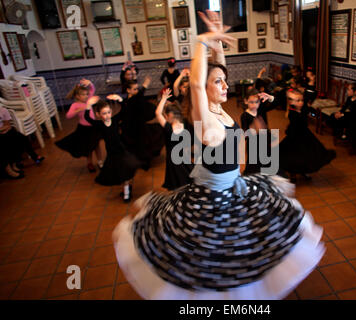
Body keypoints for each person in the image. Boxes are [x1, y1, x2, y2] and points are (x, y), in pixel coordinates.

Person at [113, 10, 324, 300]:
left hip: (233, 186)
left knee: (255, 239)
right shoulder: (204, 118)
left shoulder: (218, 109)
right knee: (214, 257)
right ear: (204, 91)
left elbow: (216, 72)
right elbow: (200, 83)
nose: (226, 86)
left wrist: (216, 46)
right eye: (219, 84)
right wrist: (201, 41)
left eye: (225, 82)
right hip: (211, 199)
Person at [84, 96, 142, 202]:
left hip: (121, 150)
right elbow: (87, 118)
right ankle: (127, 187)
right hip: (111, 153)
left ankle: (127, 193)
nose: (107, 115)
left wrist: (120, 99)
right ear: (98, 115)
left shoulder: (115, 120)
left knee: (125, 170)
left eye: (108, 112)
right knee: (119, 172)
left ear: (111, 112)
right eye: (104, 113)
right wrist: (88, 105)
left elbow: (124, 110)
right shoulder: (100, 125)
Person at [280, 88, 336, 182]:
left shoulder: (305, 108)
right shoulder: (292, 113)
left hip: (305, 134)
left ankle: (303, 171)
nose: (301, 102)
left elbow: (312, 98)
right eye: (298, 101)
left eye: (302, 100)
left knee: (306, 154)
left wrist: (304, 91)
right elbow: (294, 126)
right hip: (294, 136)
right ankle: (293, 173)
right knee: (293, 155)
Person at [55, 79, 103, 172]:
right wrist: (78, 110)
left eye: (86, 94)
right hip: (84, 129)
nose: (86, 96)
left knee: (97, 145)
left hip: (93, 127)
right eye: (83, 95)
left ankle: (100, 162)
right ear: (77, 96)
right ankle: (89, 163)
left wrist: (90, 83)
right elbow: (68, 115)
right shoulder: (75, 105)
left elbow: (92, 89)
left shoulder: (89, 100)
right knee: (88, 147)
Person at [118, 76, 164, 170]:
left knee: (144, 145)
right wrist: (144, 86)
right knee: (136, 146)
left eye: (137, 89)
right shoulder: (129, 101)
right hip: (132, 128)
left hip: (140, 127)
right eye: (134, 89)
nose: (137, 91)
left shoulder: (135, 99)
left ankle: (144, 162)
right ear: (128, 90)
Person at [155, 88, 193, 190]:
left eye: (166, 116)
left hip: (173, 163)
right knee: (187, 182)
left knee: (177, 185)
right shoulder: (185, 124)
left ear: (170, 115)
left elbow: (157, 113)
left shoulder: (169, 128)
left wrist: (163, 99)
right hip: (185, 160)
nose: (165, 117)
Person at [0, 106, 44, 179]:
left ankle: (15, 163)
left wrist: (4, 129)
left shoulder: (2, 110)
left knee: (19, 136)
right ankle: (9, 170)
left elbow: (7, 125)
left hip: (3, 132)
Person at [240, 89, 278, 175]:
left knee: (267, 158)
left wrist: (270, 97)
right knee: (254, 163)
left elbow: (276, 103)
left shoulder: (261, 109)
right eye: (251, 102)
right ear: (246, 101)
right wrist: (253, 129)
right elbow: (245, 134)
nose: (254, 105)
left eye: (257, 102)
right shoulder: (244, 116)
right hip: (253, 145)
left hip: (265, 140)